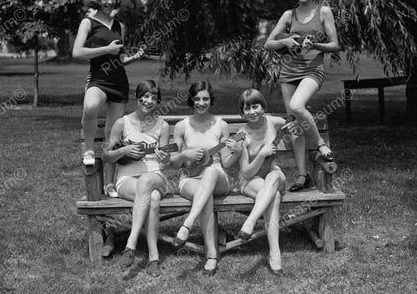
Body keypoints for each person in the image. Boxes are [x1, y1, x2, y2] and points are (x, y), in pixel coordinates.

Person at [264, 0, 340, 191]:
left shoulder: (323, 11)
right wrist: (286, 41)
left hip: (312, 70)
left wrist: (314, 45)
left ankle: (320, 144)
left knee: (297, 106)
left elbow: (335, 44)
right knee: (295, 124)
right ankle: (302, 175)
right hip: (289, 72)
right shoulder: (289, 15)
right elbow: (268, 43)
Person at [72, 0, 144, 198]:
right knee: (90, 106)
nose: (109, 2)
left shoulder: (119, 25)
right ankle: (89, 149)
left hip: (118, 81)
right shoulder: (88, 22)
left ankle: (110, 184)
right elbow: (77, 53)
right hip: (98, 79)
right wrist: (106, 49)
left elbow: (118, 57)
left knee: (113, 136)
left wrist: (131, 58)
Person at [169, 81, 238, 276]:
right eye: (197, 98)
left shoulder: (221, 125)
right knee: (203, 194)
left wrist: (237, 151)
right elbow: (174, 162)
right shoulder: (181, 126)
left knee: (210, 172)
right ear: (191, 100)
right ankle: (212, 255)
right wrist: (185, 155)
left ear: (211, 100)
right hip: (190, 178)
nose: (201, 102)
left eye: (205, 98)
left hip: (218, 178)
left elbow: (225, 162)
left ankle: (187, 224)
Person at [102, 80, 171, 275]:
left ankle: (131, 244)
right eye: (146, 96)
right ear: (137, 97)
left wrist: (164, 158)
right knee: (154, 198)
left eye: (154, 98)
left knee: (147, 180)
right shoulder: (121, 123)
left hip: (156, 176)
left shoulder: (163, 126)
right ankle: (154, 258)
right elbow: (106, 156)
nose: (149, 101)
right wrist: (124, 150)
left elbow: (165, 164)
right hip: (126, 180)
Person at [228, 89, 287, 275]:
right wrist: (262, 154)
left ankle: (250, 222)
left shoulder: (274, 122)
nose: (252, 111)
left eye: (256, 106)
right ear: (242, 112)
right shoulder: (241, 135)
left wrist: (295, 128)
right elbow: (246, 171)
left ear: (263, 107)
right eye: (247, 108)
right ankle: (275, 252)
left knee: (275, 176)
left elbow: (296, 125)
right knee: (274, 196)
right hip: (250, 181)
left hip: (273, 176)